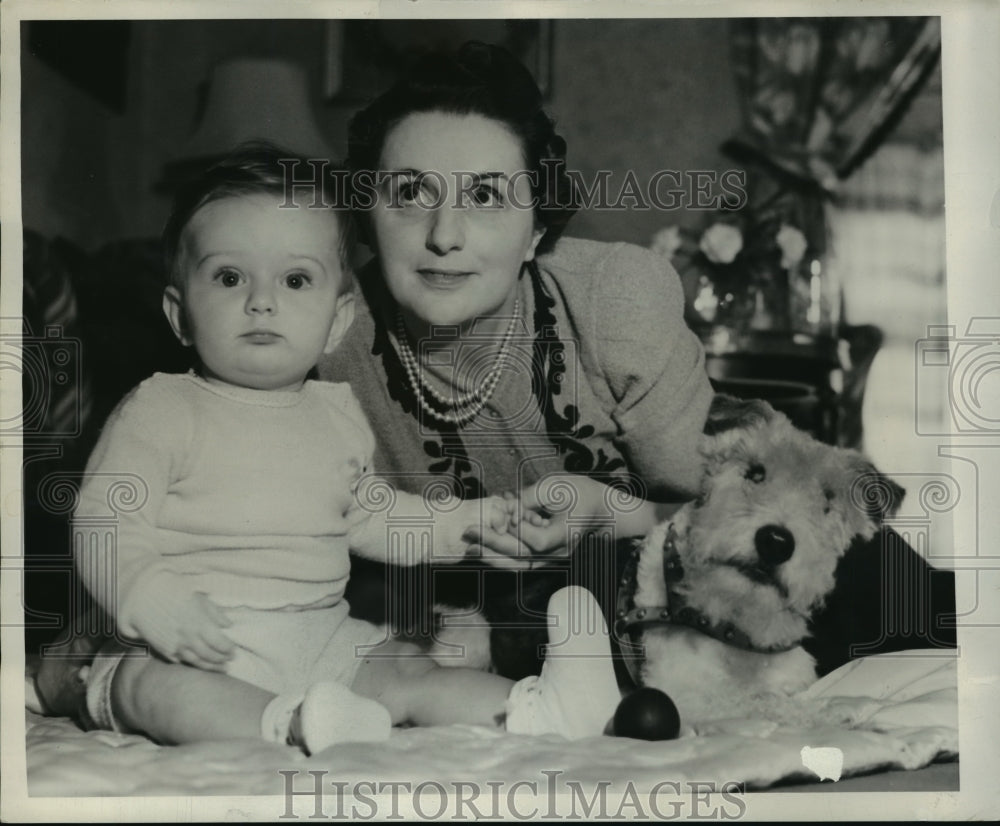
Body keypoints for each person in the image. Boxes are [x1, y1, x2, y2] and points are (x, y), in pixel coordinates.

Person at [63, 145, 625, 753]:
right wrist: (145, 594)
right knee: (151, 690)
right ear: (179, 315)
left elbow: (376, 517)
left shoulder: (335, 414)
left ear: (337, 320)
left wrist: (470, 522)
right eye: (229, 277)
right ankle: (290, 726)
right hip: (195, 644)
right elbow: (104, 517)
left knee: (409, 670)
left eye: (296, 279)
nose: (262, 300)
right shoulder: (162, 409)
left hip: (321, 643)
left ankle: (543, 709)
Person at [320, 42, 715, 664]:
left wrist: (600, 512)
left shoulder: (616, 301)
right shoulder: (324, 336)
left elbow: (722, 510)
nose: (444, 236)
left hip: (668, 606)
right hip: (467, 635)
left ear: (536, 230)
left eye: (485, 198)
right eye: (410, 194)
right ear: (368, 216)